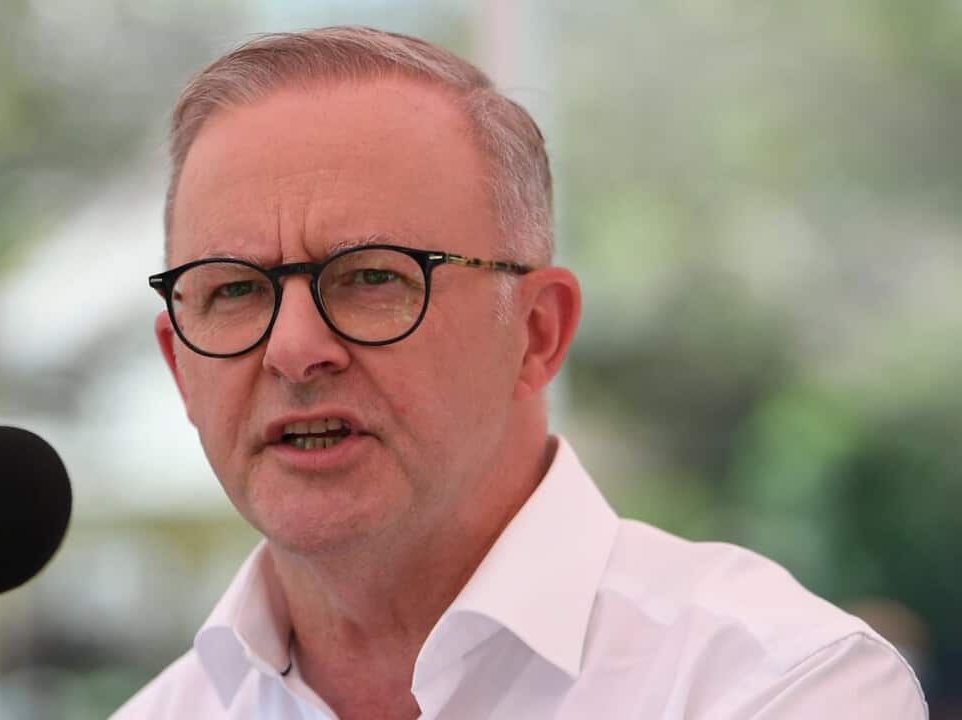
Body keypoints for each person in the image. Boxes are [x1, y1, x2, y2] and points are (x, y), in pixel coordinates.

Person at [113, 26, 927, 719]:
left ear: (537, 333)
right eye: (234, 290)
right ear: (179, 366)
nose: (293, 349)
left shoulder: (776, 685)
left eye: (371, 277)